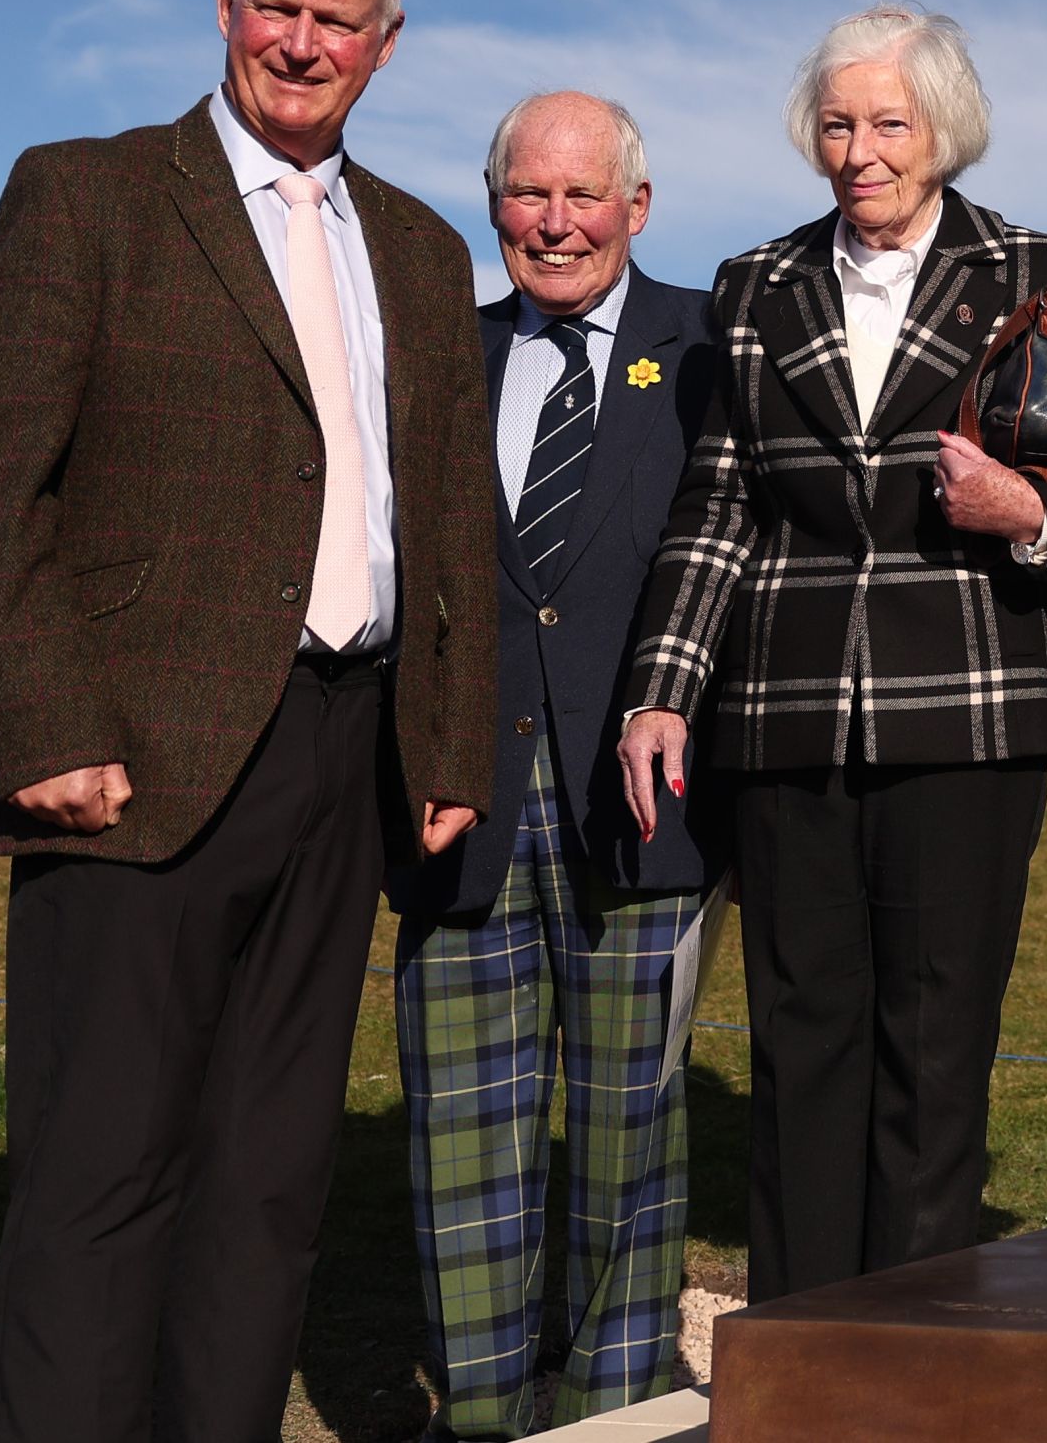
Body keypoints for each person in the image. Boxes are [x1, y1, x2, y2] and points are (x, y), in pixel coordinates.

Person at [0, 0, 497, 1441]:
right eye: (276, 7)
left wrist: (447, 754)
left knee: (267, 1189)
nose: (300, 43)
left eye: (337, 21)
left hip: (343, 761)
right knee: (100, 1177)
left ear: (386, 46)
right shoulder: (89, 195)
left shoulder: (423, 247)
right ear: (224, 6)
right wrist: (45, 720)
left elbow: (450, 521)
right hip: (127, 761)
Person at [617, 5, 1047, 1301]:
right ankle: (801, 1357)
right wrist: (661, 692)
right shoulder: (756, 287)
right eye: (838, 123)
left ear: (944, 133)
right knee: (802, 1051)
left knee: (934, 1055)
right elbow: (720, 509)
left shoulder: (1033, 273)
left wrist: (1033, 514)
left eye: (888, 124)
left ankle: (915, 1372)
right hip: (785, 724)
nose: (859, 151)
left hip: (968, 724)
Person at [389, 92, 723, 1435]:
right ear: (494, 206)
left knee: (631, 1140)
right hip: (457, 799)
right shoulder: (438, 358)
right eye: (530, 193)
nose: (558, 220)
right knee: (463, 1143)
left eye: (586, 195)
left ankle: (617, 1411)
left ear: (637, 209)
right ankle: (480, 1410)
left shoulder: (706, 345)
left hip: (641, 802)